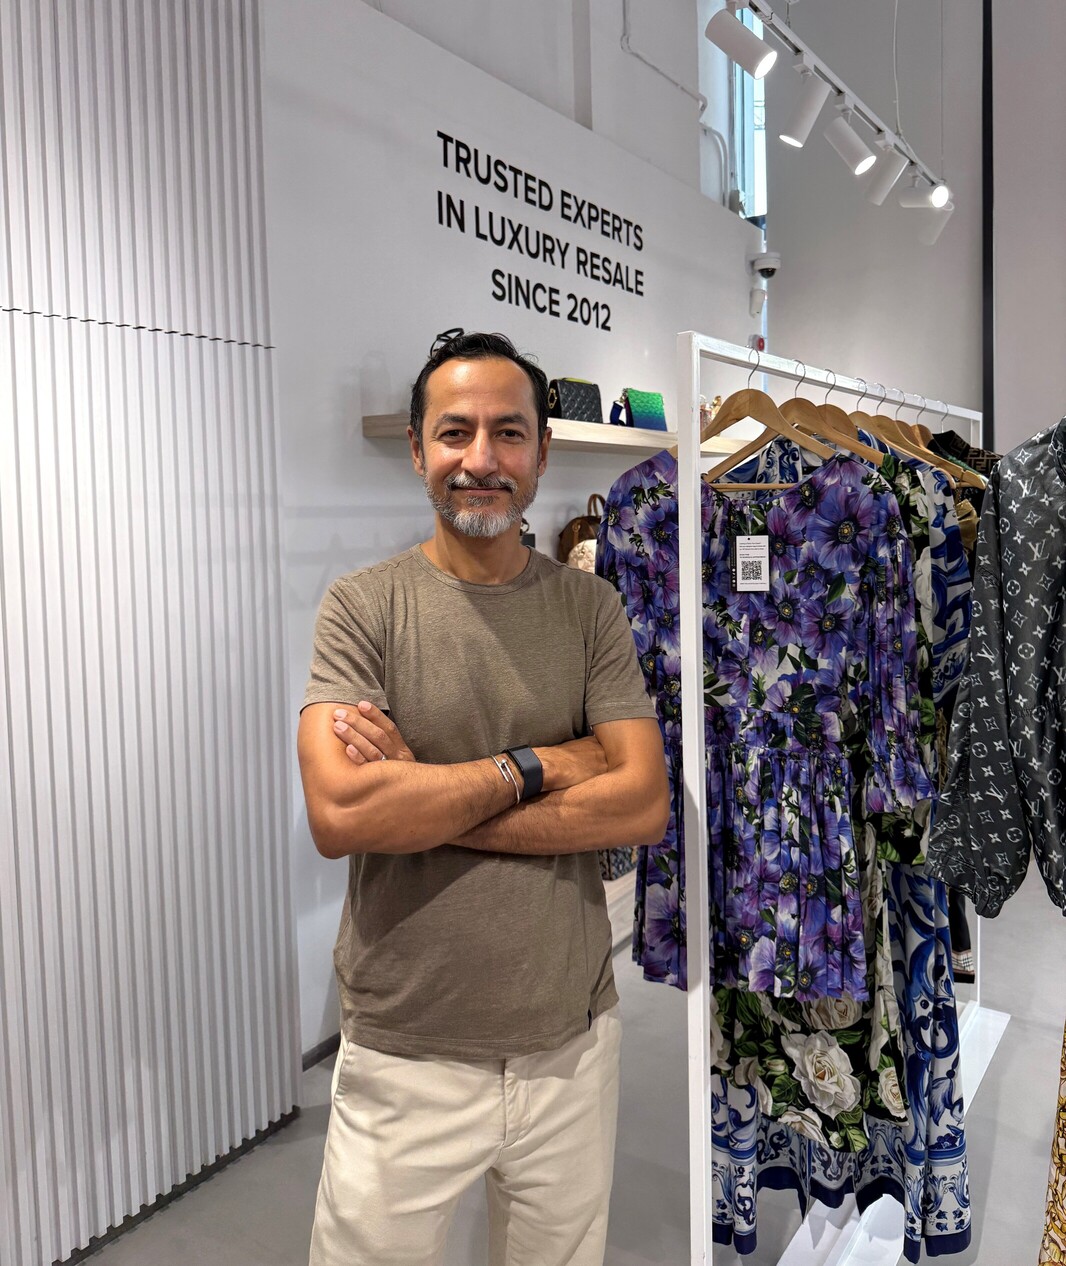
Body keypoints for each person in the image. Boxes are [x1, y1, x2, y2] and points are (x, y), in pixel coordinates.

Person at [297, 329, 669, 1266]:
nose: (481, 459)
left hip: (570, 1045)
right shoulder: (363, 607)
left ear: (542, 452)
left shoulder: (590, 609)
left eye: (509, 433)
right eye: (454, 432)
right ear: (418, 449)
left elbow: (640, 806)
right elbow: (342, 816)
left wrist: (424, 797)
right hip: (403, 1052)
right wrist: (539, 763)